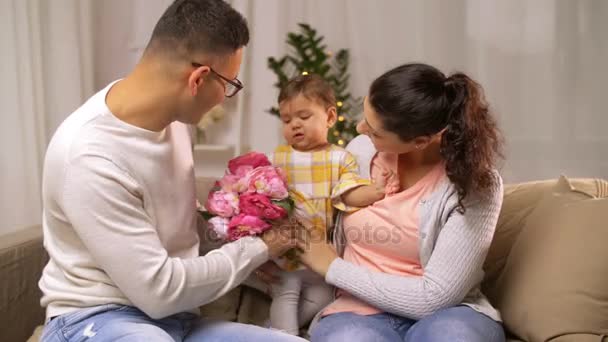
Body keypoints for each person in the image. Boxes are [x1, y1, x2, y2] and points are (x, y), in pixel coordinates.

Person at [38, 1, 303, 341]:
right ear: (198, 79)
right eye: (230, 85)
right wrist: (259, 248)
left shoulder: (177, 124)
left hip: (175, 319)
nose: (226, 97)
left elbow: (176, 228)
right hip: (94, 318)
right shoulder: (89, 156)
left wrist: (253, 247)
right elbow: (160, 292)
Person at [295, 63, 506, 342]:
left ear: (420, 141)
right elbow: (315, 210)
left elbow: (435, 298)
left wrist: (332, 267)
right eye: (365, 117)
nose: (359, 129)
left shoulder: (476, 183)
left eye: (375, 132)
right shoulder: (359, 152)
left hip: (449, 313)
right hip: (356, 313)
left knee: (452, 337)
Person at [257, 74, 385, 335]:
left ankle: (269, 332)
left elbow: (349, 193)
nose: (295, 125)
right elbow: (260, 201)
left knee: (324, 297)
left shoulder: (340, 158)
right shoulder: (276, 158)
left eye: (304, 117)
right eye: (287, 120)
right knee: (287, 291)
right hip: (287, 251)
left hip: (322, 252)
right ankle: (286, 336)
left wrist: (375, 192)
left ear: (328, 117)